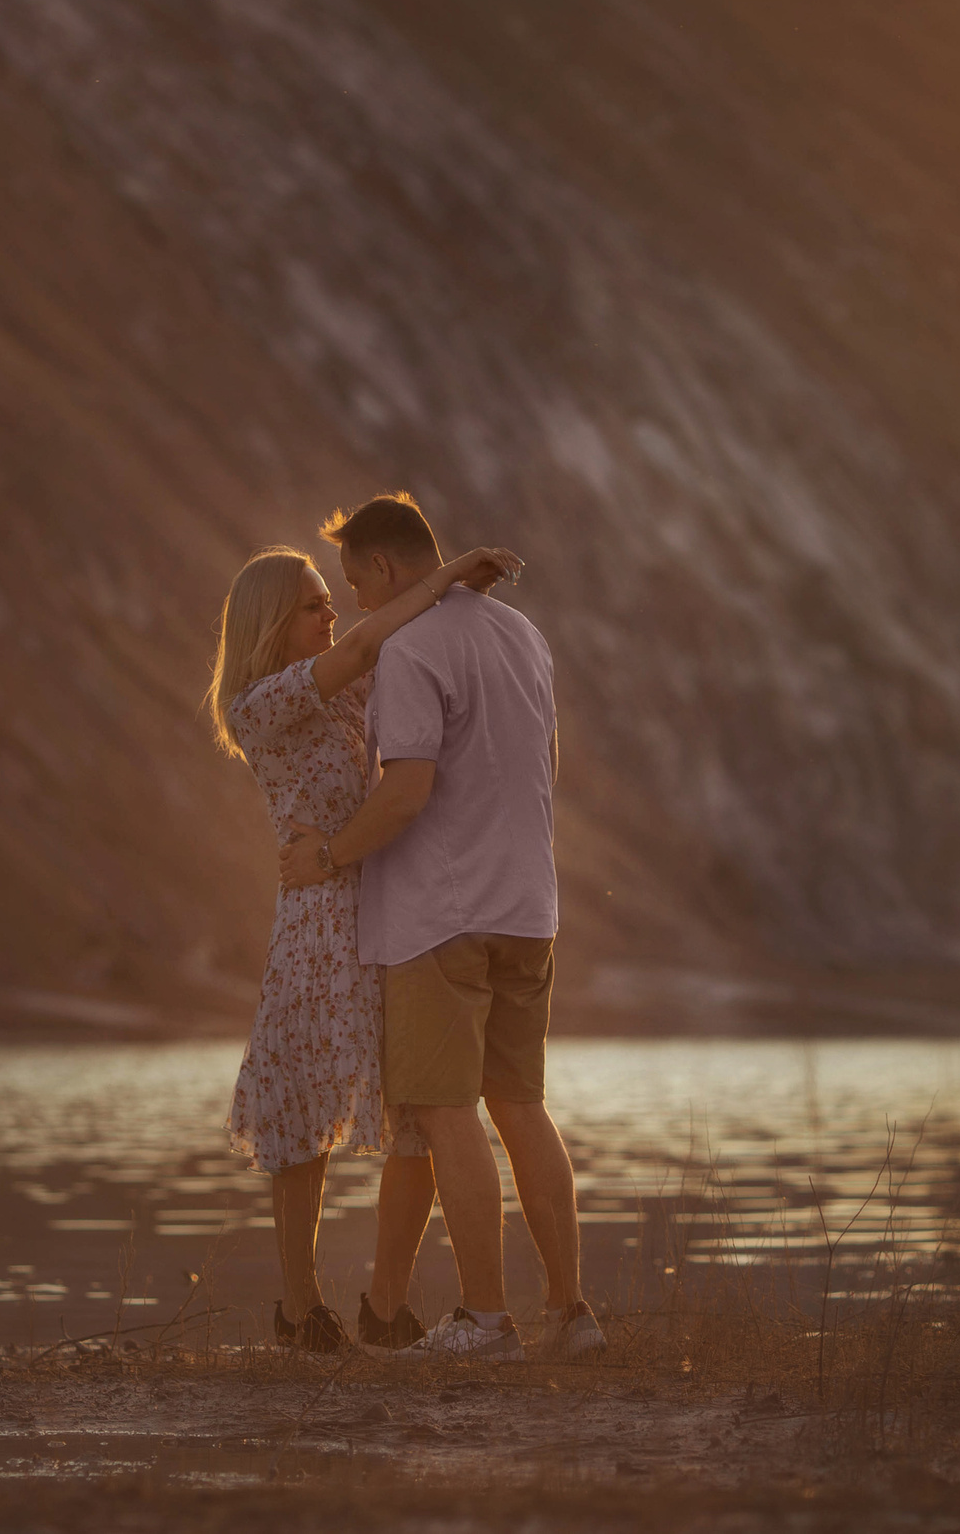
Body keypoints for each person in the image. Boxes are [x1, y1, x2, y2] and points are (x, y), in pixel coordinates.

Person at [280, 493, 604, 1363]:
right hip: (528, 905)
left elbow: (406, 788)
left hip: (440, 916)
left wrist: (329, 856)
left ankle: (487, 1319)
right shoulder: (521, 635)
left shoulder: (410, 649)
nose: (354, 607)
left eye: (355, 584)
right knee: (523, 1105)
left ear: (386, 567)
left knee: (446, 1110)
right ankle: (571, 1313)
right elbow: (546, 763)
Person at [206, 535, 522, 1352]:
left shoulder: (346, 695)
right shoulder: (261, 701)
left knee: (417, 1106)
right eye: (312, 602)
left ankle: (384, 1302)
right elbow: (365, 644)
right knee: (303, 1117)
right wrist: (445, 574)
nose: (330, 611)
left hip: (387, 905)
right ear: (273, 619)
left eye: (328, 597)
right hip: (316, 925)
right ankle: (301, 1307)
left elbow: (407, 682)